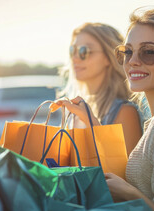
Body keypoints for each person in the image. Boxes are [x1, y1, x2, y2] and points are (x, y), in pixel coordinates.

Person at [55, 0, 154, 211]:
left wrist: (128, 192)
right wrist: (94, 124)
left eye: (148, 52)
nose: (132, 61)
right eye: (128, 52)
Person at [57, 22, 143, 156]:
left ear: (110, 57)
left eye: (83, 51)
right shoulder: (75, 111)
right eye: (72, 50)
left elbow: (125, 175)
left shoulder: (125, 112)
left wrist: (91, 123)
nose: (75, 58)